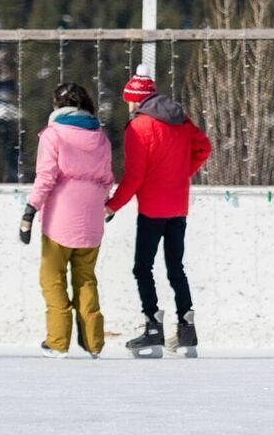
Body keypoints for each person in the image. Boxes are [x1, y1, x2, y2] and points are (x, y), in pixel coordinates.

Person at [105, 64, 212, 358]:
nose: (127, 104)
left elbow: (135, 176)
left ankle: (153, 326)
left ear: (136, 99)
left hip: (152, 208)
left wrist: (112, 205)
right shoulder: (181, 119)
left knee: (143, 267)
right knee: (176, 268)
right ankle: (187, 329)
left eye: (128, 99)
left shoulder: (138, 127)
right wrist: (180, 176)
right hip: (178, 207)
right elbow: (204, 148)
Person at [19, 83, 114, 358]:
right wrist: (103, 205)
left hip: (61, 219)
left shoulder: (53, 135)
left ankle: (58, 342)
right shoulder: (101, 137)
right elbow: (107, 179)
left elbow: (46, 177)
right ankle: (94, 343)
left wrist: (30, 210)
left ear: (58, 106)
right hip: (92, 219)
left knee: (52, 278)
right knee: (86, 280)